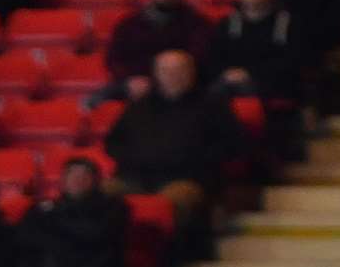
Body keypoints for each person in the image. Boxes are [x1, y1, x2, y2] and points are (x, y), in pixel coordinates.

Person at [104, 49, 244, 239]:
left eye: (179, 70)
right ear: (156, 74)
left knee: (171, 201)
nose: (172, 76)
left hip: (188, 178)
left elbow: (232, 144)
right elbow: (113, 143)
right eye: (166, 70)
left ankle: (168, 257)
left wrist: (193, 159)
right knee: (101, 194)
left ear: (191, 72)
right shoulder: (139, 106)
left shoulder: (212, 105)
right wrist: (136, 159)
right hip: (135, 176)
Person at [209, 0, 305, 157]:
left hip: (272, 82)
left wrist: (250, 74)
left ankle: (263, 153)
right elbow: (214, 58)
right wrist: (228, 73)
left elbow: (291, 60)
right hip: (229, 80)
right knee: (213, 95)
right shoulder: (227, 23)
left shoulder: (286, 23)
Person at [104, 0, 212, 101]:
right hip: (136, 82)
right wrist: (132, 79)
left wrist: (168, 78)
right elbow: (114, 59)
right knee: (95, 102)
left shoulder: (197, 23)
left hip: (184, 84)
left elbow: (199, 56)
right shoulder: (129, 24)